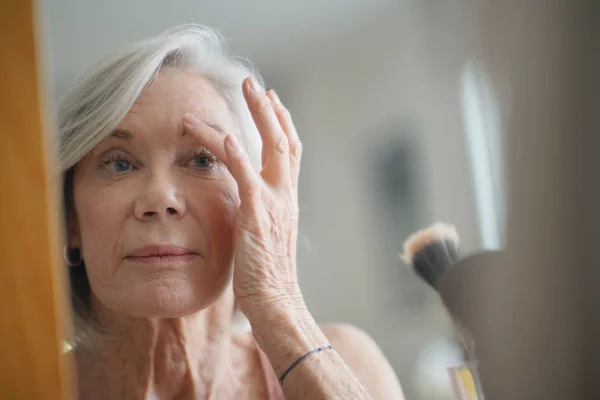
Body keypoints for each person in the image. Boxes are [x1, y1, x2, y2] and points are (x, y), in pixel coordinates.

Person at [59, 24, 404, 399]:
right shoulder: (21, 383)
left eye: (203, 159)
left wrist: (281, 305)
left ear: (258, 204)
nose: (160, 199)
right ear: (69, 219)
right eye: (118, 164)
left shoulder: (348, 363)